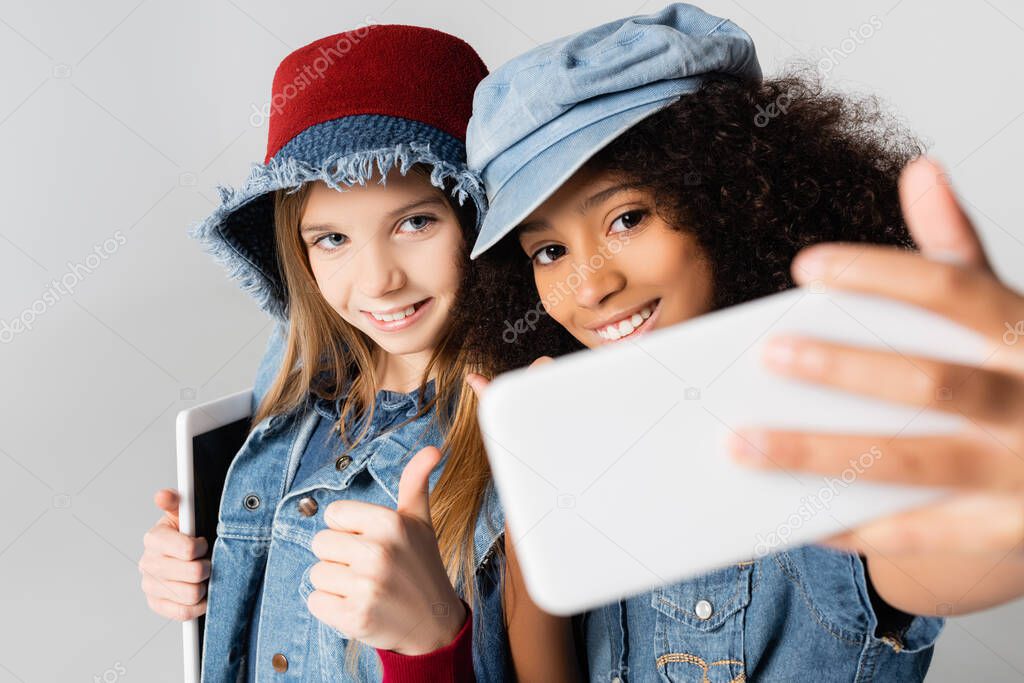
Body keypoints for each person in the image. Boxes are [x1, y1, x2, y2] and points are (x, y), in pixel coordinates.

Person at [457, 3, 1024, 681]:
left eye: (628, 217)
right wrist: (539, 534)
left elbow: (933, 564)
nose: (588, 286)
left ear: (732, 199)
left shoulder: (840, 422)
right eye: (548, 251)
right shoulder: (570, 452)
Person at [136, 25, 509, 681]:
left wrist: (430, 640)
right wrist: (197, 571)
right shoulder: (292, 382)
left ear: (475, 217)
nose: (378, 281)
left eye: (414, 222)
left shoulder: (514, 430)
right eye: (332, 238)